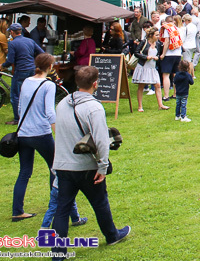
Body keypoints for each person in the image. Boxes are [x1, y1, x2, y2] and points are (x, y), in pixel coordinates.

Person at [52, 66, 131, 259]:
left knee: (62, 209)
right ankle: (112, 235)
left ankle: (58, 252)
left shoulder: (62, 104)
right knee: (99, 202)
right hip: (85, 166)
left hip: (63, 165)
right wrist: (103, 167)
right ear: (95, 84)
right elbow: (102, 140)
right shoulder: (94, 108)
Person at [12, 53, 56, 222]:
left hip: (23, 133)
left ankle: (17, 210)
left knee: (24, 172)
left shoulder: (26, 82)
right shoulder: (48, 85)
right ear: (50, 67)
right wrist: (58, 133)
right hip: (41, 133)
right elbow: (50, 112)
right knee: (54, 168)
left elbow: (21, 107)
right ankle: (55, 203)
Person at [0, 23, 44, 125]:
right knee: (30, 93)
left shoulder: (12, 43)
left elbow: (10, 60)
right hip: (32, 70)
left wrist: (2, 66)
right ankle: (31, 116)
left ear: (12, 32)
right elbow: (41, 52)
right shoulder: (30, 41)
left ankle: (17, 118)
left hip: (21, 71)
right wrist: (35, 63)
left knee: (15, 95)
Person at [132, 27, 169, 112]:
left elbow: (159, 55)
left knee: (157, 85)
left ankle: (160, 105)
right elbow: (136, 53)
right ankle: (140, 106)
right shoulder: (144, 42)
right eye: (156, 35)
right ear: (151, 35)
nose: (158, 36)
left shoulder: (158, 44)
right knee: (141, 85)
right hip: (143, 67)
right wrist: (146, 57)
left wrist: (157, 58)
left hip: (152, 67)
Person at [159, 16, 183, 101]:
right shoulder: (178, 29)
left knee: (166, 75)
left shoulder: (167, 29)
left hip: (169, 54)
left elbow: (166, 42)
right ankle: (175, 94)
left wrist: (163, 54)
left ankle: (166, 95)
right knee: (176, 74)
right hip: (178, 54)